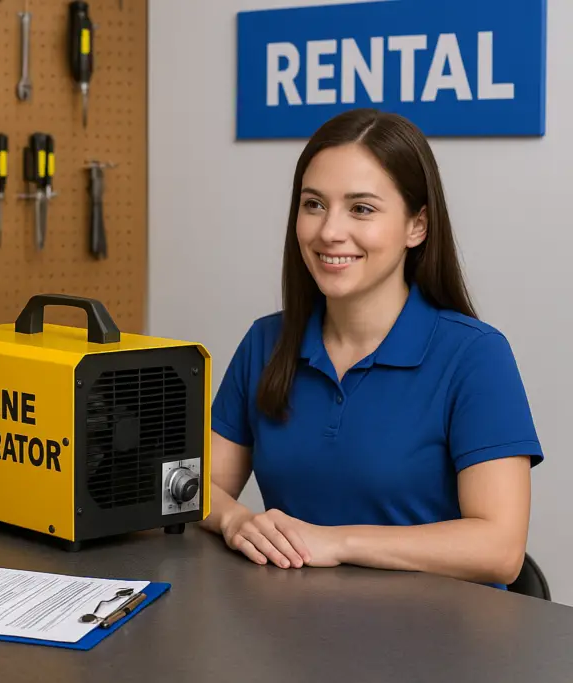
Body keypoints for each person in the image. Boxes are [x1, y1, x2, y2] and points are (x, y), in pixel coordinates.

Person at [200, 108, 543, 588]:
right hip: (294, 636)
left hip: (439, 647)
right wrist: (234, 520)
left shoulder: (475, 356)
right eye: (314, 204)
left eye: (361, 208)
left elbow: (500, 550)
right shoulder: (266, 342)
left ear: (416, 226)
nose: (329, 231)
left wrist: (335, 543)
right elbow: (194, 489)